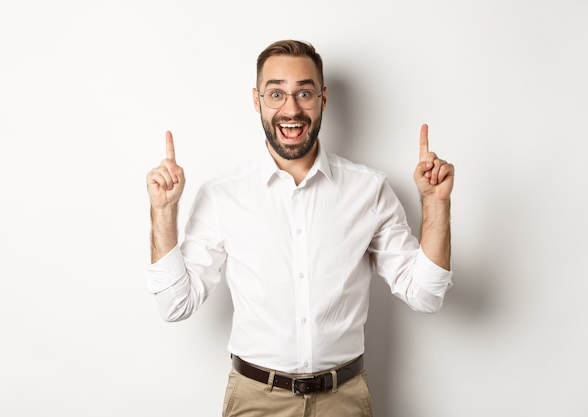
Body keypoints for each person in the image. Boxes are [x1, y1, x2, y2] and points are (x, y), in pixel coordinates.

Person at [145, 39, 454, 417]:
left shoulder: (369, 189)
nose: (290, 110)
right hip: (256, 400)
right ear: (257, 101)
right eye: (276, 94)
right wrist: (164, 211)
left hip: (344, 401)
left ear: (323, 98)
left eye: (304, 93)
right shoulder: (222, 195)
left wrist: (436, 205)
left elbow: (424, 295)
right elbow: (175, 304)